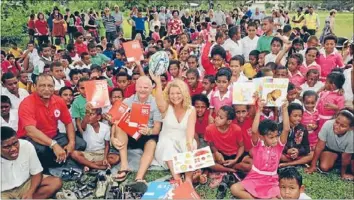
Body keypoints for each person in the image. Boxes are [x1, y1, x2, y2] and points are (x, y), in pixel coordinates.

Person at [17, 74, 86, 169]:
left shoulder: (59, 101)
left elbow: (68, 123)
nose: (46, 89)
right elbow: (30, 131)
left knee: (81, 144)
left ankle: (59, 159)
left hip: (54, 135)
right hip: (32, 138)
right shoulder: (26, 103)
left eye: (50, 86)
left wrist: (71, 142)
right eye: (42, 85)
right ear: (34, 86)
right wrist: (53, 145)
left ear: (54, 87)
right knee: (42, 151)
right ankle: (55, 163)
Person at [230, 99, 290, 199]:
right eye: (271, 137)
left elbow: (286, 129)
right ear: (262, 137)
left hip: (271, 180)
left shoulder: (278, 146)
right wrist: (259, 110)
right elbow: (254, 131)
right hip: (255, 177)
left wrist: (284, 109)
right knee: (234, 189)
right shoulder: (258, 144)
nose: (275, 139)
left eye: (276, 136)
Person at [111, 76, 162, 183]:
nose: (143, 90)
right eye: (140, 87)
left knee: (152, 144)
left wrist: (149, 131)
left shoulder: (155, 103)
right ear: (135, 88)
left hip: (147, 134)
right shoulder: (127, 101)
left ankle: (139, 177)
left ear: (151, 88)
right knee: (120, 126)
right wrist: (112, 137)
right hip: (131, 133)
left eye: (146, 87)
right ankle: (124, 167)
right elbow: (115, 121)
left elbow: (157, 129)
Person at [150, 73, 196, 183]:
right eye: (172, 94)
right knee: (167, 145)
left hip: (182, 141)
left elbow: (190, 131)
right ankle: (177, 178)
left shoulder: (191, 109)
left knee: (190, 143)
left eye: (178, 93)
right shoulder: (166, 107)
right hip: (166, 144)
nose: (175, 96)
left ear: (184, 94)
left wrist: (189, 143)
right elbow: (159, 101)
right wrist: (158, 83)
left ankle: (188, 178)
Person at [1, 127, 62, 199]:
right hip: (3, 192)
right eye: (7, 147)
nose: (14, 149)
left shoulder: (26, 146)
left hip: (25, 184)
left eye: (15, 143)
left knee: (55, 182)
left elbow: (37, 173)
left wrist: (30, 192)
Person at [305, 108, 354, 180]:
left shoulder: (352, 135)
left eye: (342, 126)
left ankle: (343, 165)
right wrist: (313, 165)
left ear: (350, 128)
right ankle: (337, 162)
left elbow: (346, 157)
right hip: (331, 150)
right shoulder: (328, 124)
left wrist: (343, 174)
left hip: (348, 154)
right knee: (324, 167)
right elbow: (319, 146)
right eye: (337, 122)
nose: (337, 127)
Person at [205, 105, 244, 173]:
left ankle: (231, 167)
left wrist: (235, 159)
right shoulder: (209, 129)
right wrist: (216, 152)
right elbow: (211, 144)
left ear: (229, 121)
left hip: (235, 155)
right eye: (217, 115)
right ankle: (230, 170)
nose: (216, 118)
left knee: (249, 164)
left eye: (221, 118)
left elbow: (241, 146)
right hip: (221, 155)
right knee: (206, 161)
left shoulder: (236, 129)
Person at [279, 103, 312, 168]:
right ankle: (298, 163)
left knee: (312, 154)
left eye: (300, 116)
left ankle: (288, 164)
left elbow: (307, 147)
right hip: (285, 155)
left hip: (297, 155)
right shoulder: (279, 127)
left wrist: (298, 151)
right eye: (295, 116)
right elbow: (276, 146)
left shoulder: (303, 128)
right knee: (279, 156)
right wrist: (287, 151)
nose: (298, 118)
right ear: (288, 115)